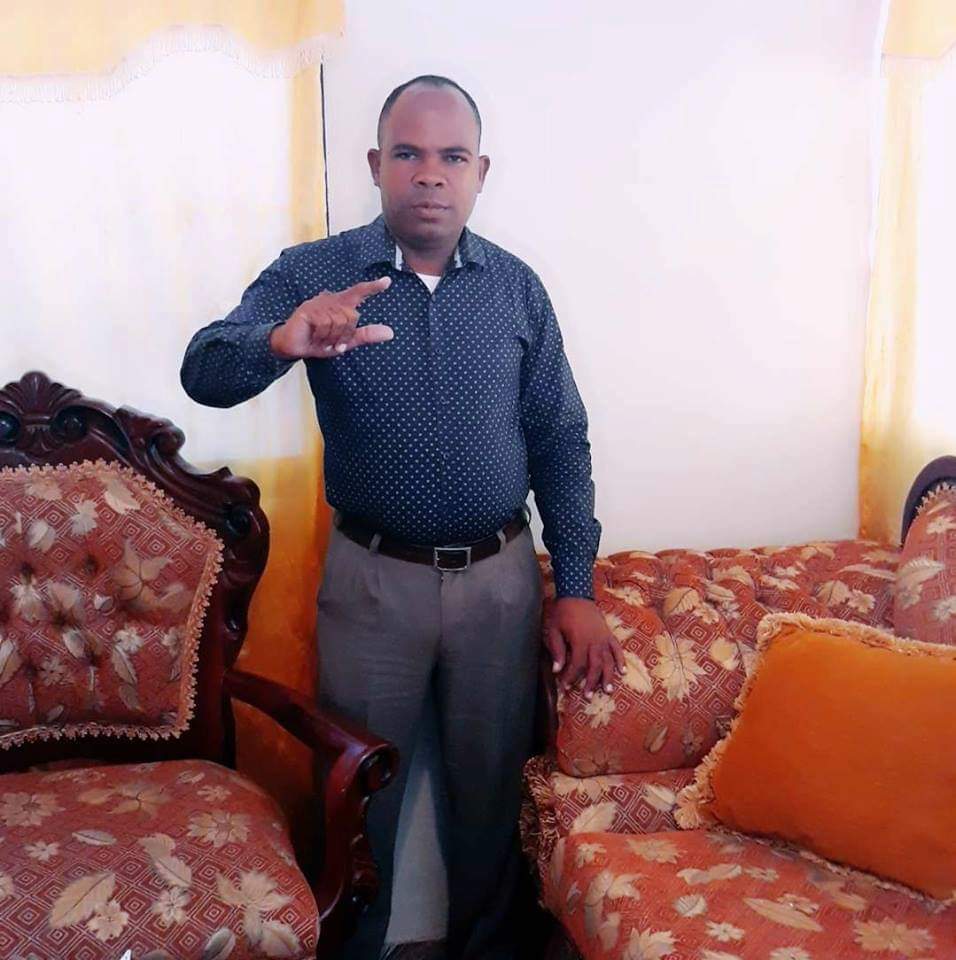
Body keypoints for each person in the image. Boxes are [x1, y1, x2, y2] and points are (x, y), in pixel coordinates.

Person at [181, 74, 622, 960]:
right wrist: (280, 341)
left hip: (500, 587)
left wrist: (575, 586)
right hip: (372, 588)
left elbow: (559, 438)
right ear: (376, 164)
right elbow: (205, 368)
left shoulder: (516, 289)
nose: (430, 174)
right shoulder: (314, 274)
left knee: (491, 803)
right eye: (409, 154)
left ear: (480, 172)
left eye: (452, 156)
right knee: (358, 800)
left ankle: (486, 951)